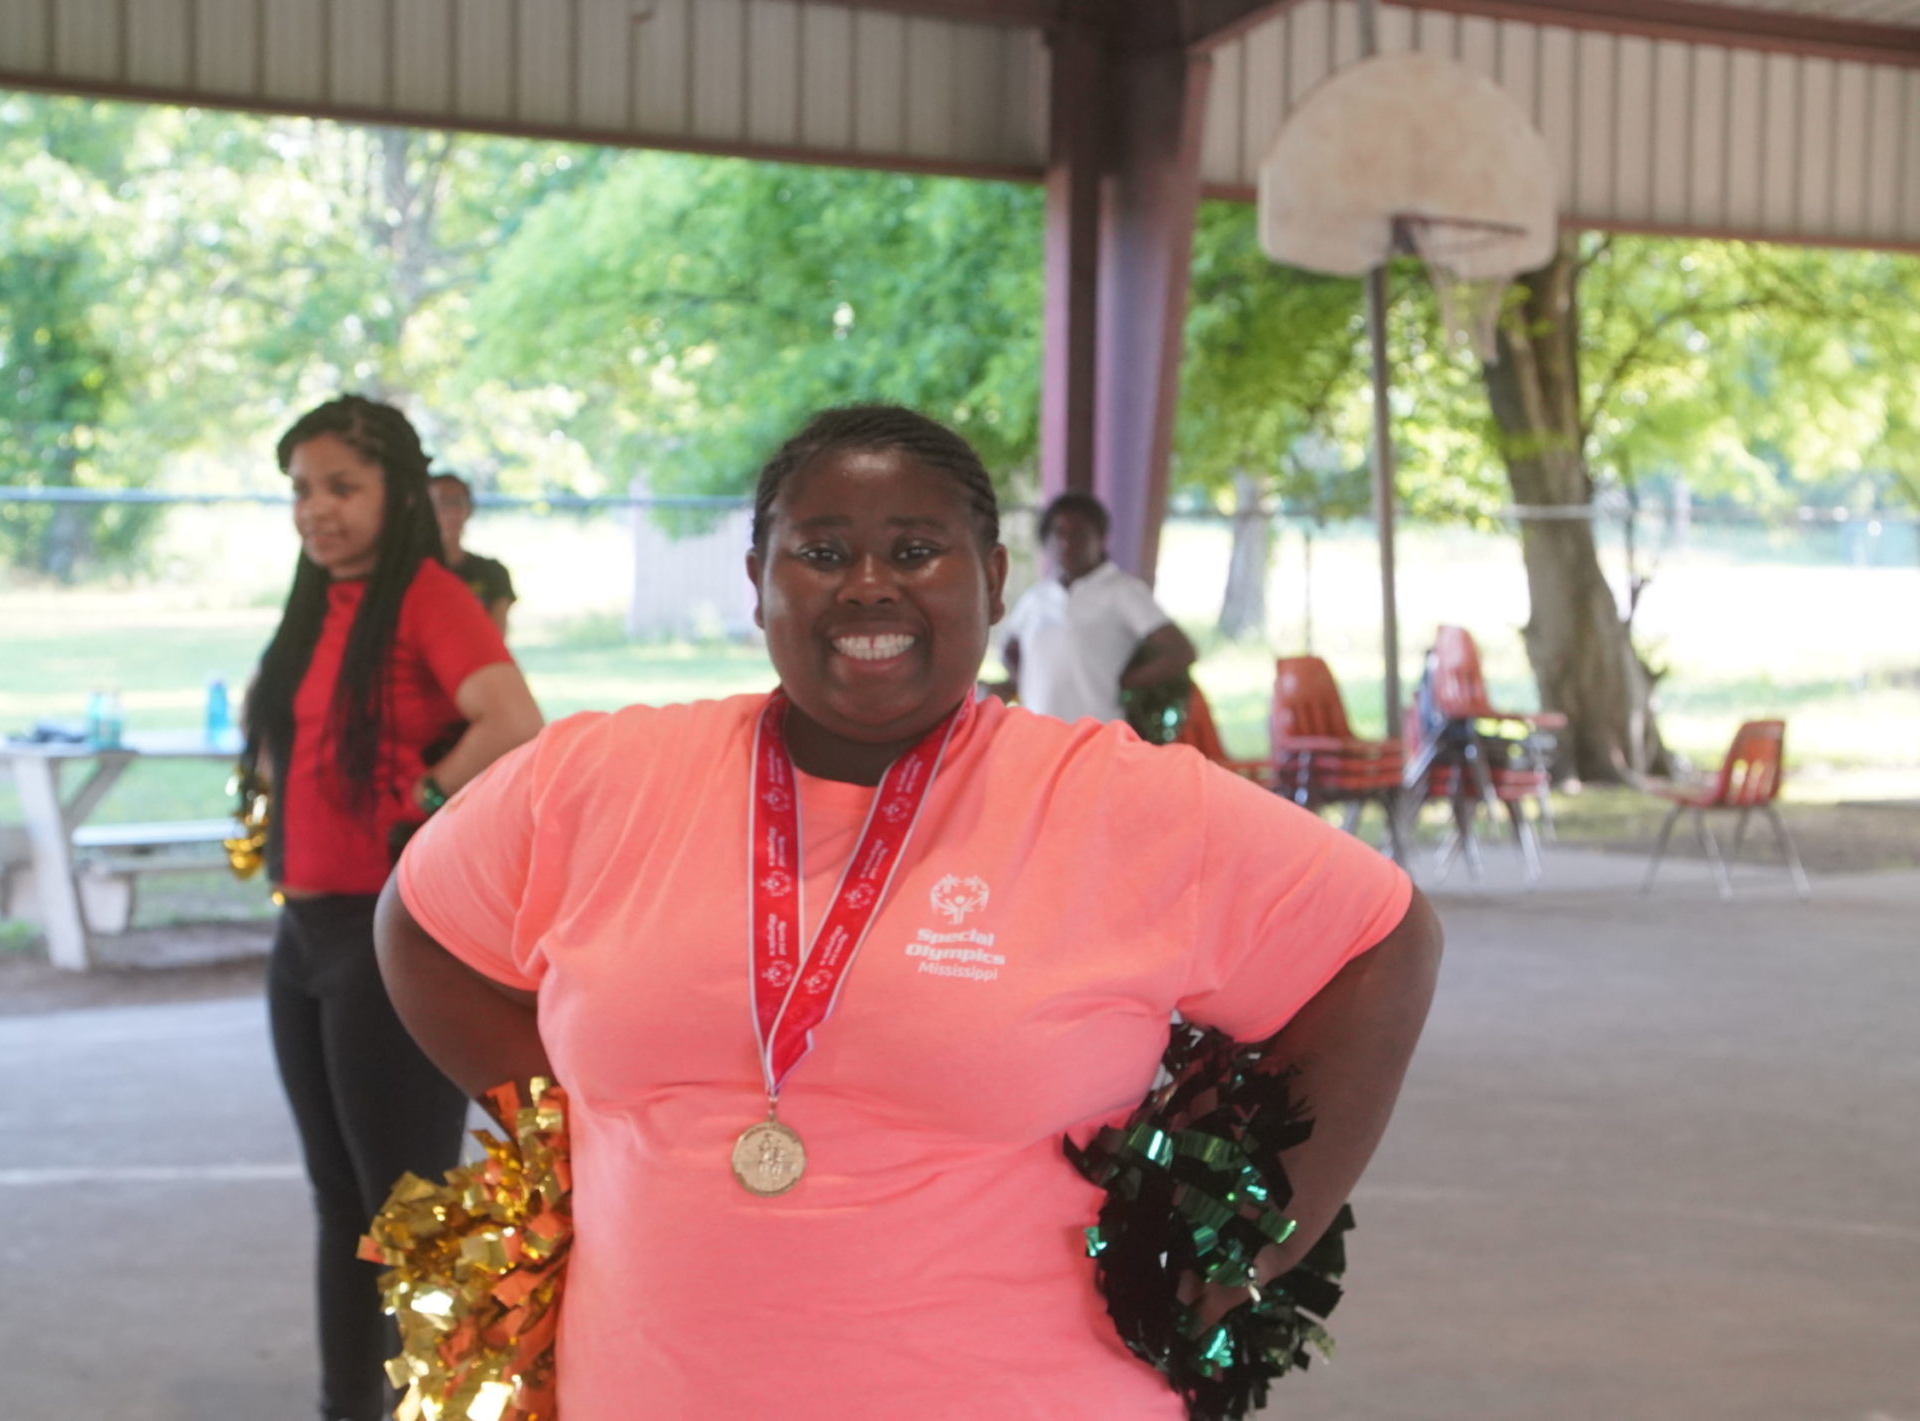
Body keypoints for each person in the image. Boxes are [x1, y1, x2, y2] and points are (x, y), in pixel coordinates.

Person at [374, 405, 1440, 1421]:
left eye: (917, 550)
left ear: (992, 578)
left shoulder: (1125, 802)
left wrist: (1250, 1232)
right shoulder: (599, 777)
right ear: (758, 582)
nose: (870, 587)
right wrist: (574, 1117)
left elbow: (1381, 943)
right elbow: (418, 923)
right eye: (823, 552)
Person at [242, 395, 544, 1421]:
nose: (316, 511)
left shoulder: (424, 593)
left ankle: (436, 1406)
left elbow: (511, 719)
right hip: (304, 934)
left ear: (395, 494)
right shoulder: (315, 601)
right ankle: (348, 1408)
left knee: (407, 1211)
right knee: (342, 1203)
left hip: (390, 939)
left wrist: (418, 800)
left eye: (340, 487)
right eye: (300, 491)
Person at [992, 490, 1199, 724]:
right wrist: (1023, 679)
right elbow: (1008, 647)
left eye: (1079, 535)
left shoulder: (1122, 591)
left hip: (1098, 731)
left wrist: (1123, 682)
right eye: (1059, 534)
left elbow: (1180, 651)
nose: (1066, 543)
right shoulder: (1037, 596)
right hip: (1039, 733)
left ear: (1100, 540)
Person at [427, 471, 517, 640]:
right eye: (442, 502)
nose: (451, 511)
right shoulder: (410, 573)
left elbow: (496, 640)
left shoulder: (493, 573)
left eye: (458, 502)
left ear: (469, 509)